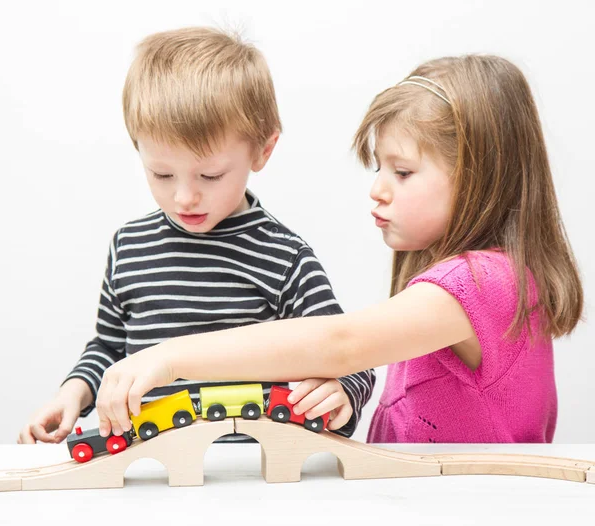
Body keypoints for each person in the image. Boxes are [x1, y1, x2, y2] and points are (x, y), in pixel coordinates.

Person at [94, 54, 584, 444]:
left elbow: (341, 345)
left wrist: (168, 358)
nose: (378, 189)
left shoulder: (480, 284)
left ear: (481, 175)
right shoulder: (479, 283)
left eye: (403, 172)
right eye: (379, 168)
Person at [17, 27, 376, 445]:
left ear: (263, 150)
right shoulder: (128, 247)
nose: (185, 196)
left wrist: (342, 392)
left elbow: (354, 356)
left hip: (251, 475)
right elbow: (110, 346)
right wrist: (71, 393)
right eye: (162, 174)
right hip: (146, 468)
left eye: (210, 175)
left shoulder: (284, 257)